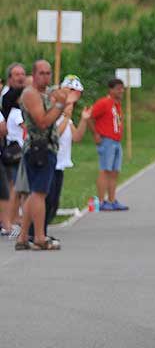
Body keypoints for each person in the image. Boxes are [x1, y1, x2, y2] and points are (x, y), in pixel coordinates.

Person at [14, 60, 68, 251]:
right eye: (42, 73)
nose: (46, 77)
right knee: (39, 193)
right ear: (34, 74)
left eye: (48, 73)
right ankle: (39, 237)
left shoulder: (44, 93)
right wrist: (60, 104)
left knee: (34, 194)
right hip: (39, 148)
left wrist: (59, 99)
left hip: (45, 147)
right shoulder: (31, 94)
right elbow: (42, 122)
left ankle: (23, 237)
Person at [43, 75, 92, 239]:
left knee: (54, 202)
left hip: (60, 164)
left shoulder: (66, 117)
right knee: (48, 200)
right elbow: (55, 135)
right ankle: (39, 232)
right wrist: (66, 116)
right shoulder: (55, 115)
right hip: (50, 163)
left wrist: (84, 120)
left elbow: (76, 137)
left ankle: (43, 231)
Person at [91, 78, 128, 211]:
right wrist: (96, 133)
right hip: (106, 140)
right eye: (118, 89)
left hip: (116, 141)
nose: (121, 91)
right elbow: (90, 116)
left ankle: (112, 200)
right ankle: (101, 202)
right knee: (105, 170)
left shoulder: (116, 104)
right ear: (110, 90)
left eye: (122, 88)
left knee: (114, 171)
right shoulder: (104, 103)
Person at [1, 62, 27, 236]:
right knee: (12, 187)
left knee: (17, 187)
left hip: (16, 146)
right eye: (17, 74)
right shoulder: (8, 97)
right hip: (11, 148)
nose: (21, 77)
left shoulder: (20, 95)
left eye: (22, 74)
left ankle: (15, 218)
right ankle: (8, 222)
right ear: (9, 78)